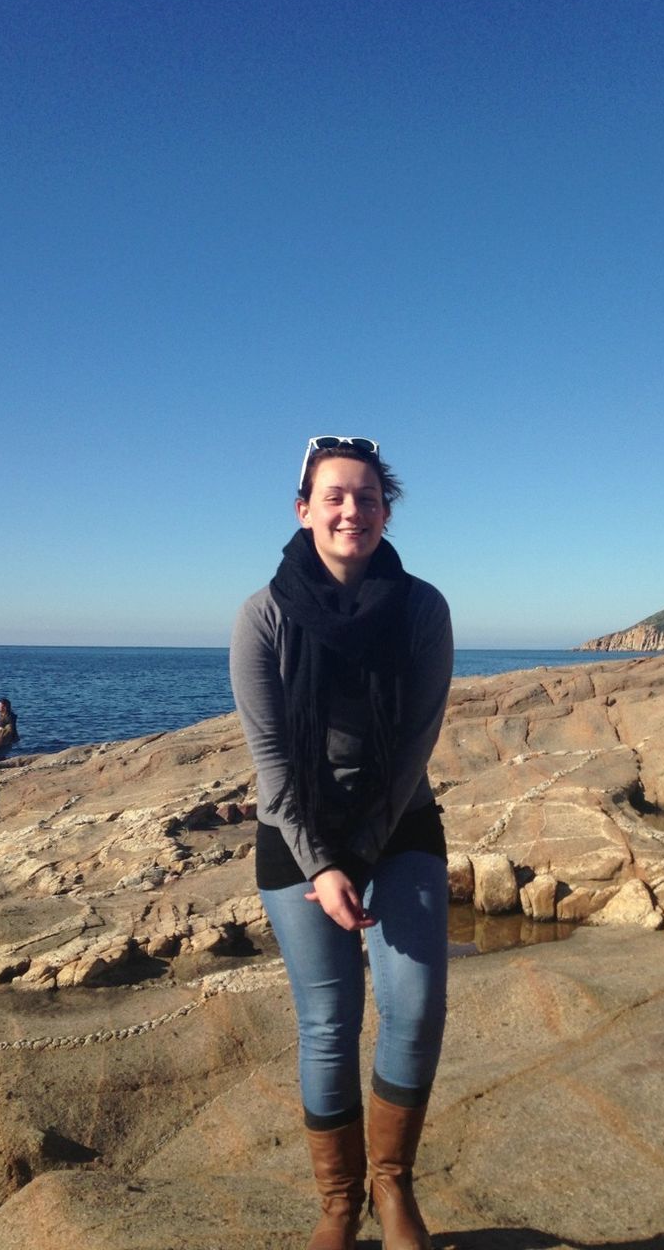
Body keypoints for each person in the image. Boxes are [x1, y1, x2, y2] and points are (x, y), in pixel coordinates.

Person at [231, 435, 453, 1250]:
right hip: (298, 829)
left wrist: (358, 857)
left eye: (365, 496)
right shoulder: (263, 616)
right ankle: (338, 1204)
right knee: (328, 1020)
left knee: (417, 1005)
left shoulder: (423, 610)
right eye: (334, 496)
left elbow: (415, 751)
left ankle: (393, 1187)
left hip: (398, 820)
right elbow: (272, 767)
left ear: (385, 512)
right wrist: (322, 864)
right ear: (305, 510)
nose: (350, 509)